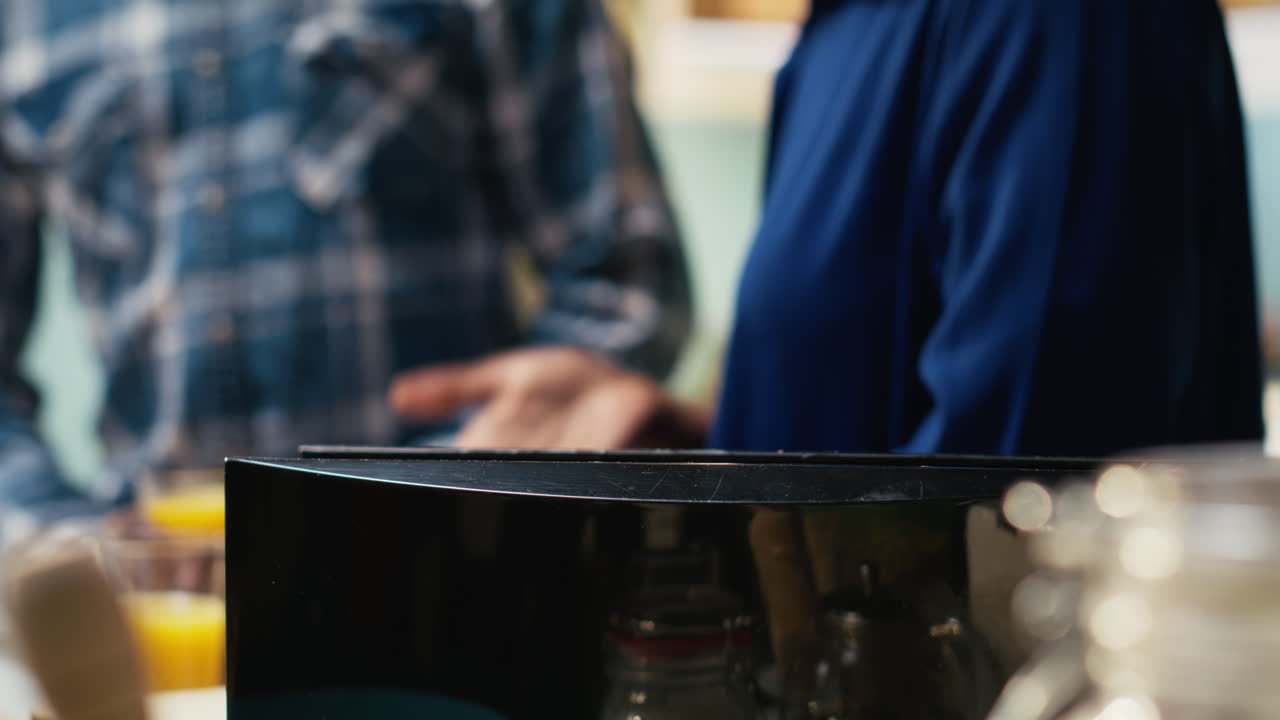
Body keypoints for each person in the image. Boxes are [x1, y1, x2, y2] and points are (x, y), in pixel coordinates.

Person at [391, 0, 1264, 457]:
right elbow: (881, 435)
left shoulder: (1052, 16)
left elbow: (1018, 526)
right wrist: (694, 448)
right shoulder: (843, 32)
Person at [0, 0, 690, 516]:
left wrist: (465, 482)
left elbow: (626, 285)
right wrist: (71, 547)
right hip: (154, 614)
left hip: (446, 578)